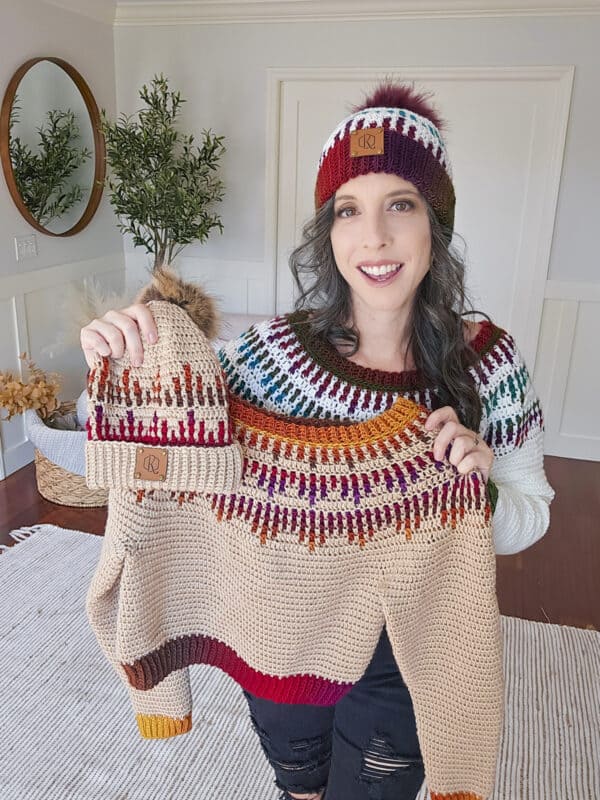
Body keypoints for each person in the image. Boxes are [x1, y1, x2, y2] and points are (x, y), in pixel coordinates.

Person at [80, 80, 555, 800]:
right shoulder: (267, 356)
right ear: (328, 234)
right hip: (279, 626)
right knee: (298, 784)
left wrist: (483, 485)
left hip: (411, 647)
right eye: (349, 211)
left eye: (402, 204)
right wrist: (118, 361)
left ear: (437, 224)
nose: (374, 237)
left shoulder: (491, 361)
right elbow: (149, 449)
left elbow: (532, 514)